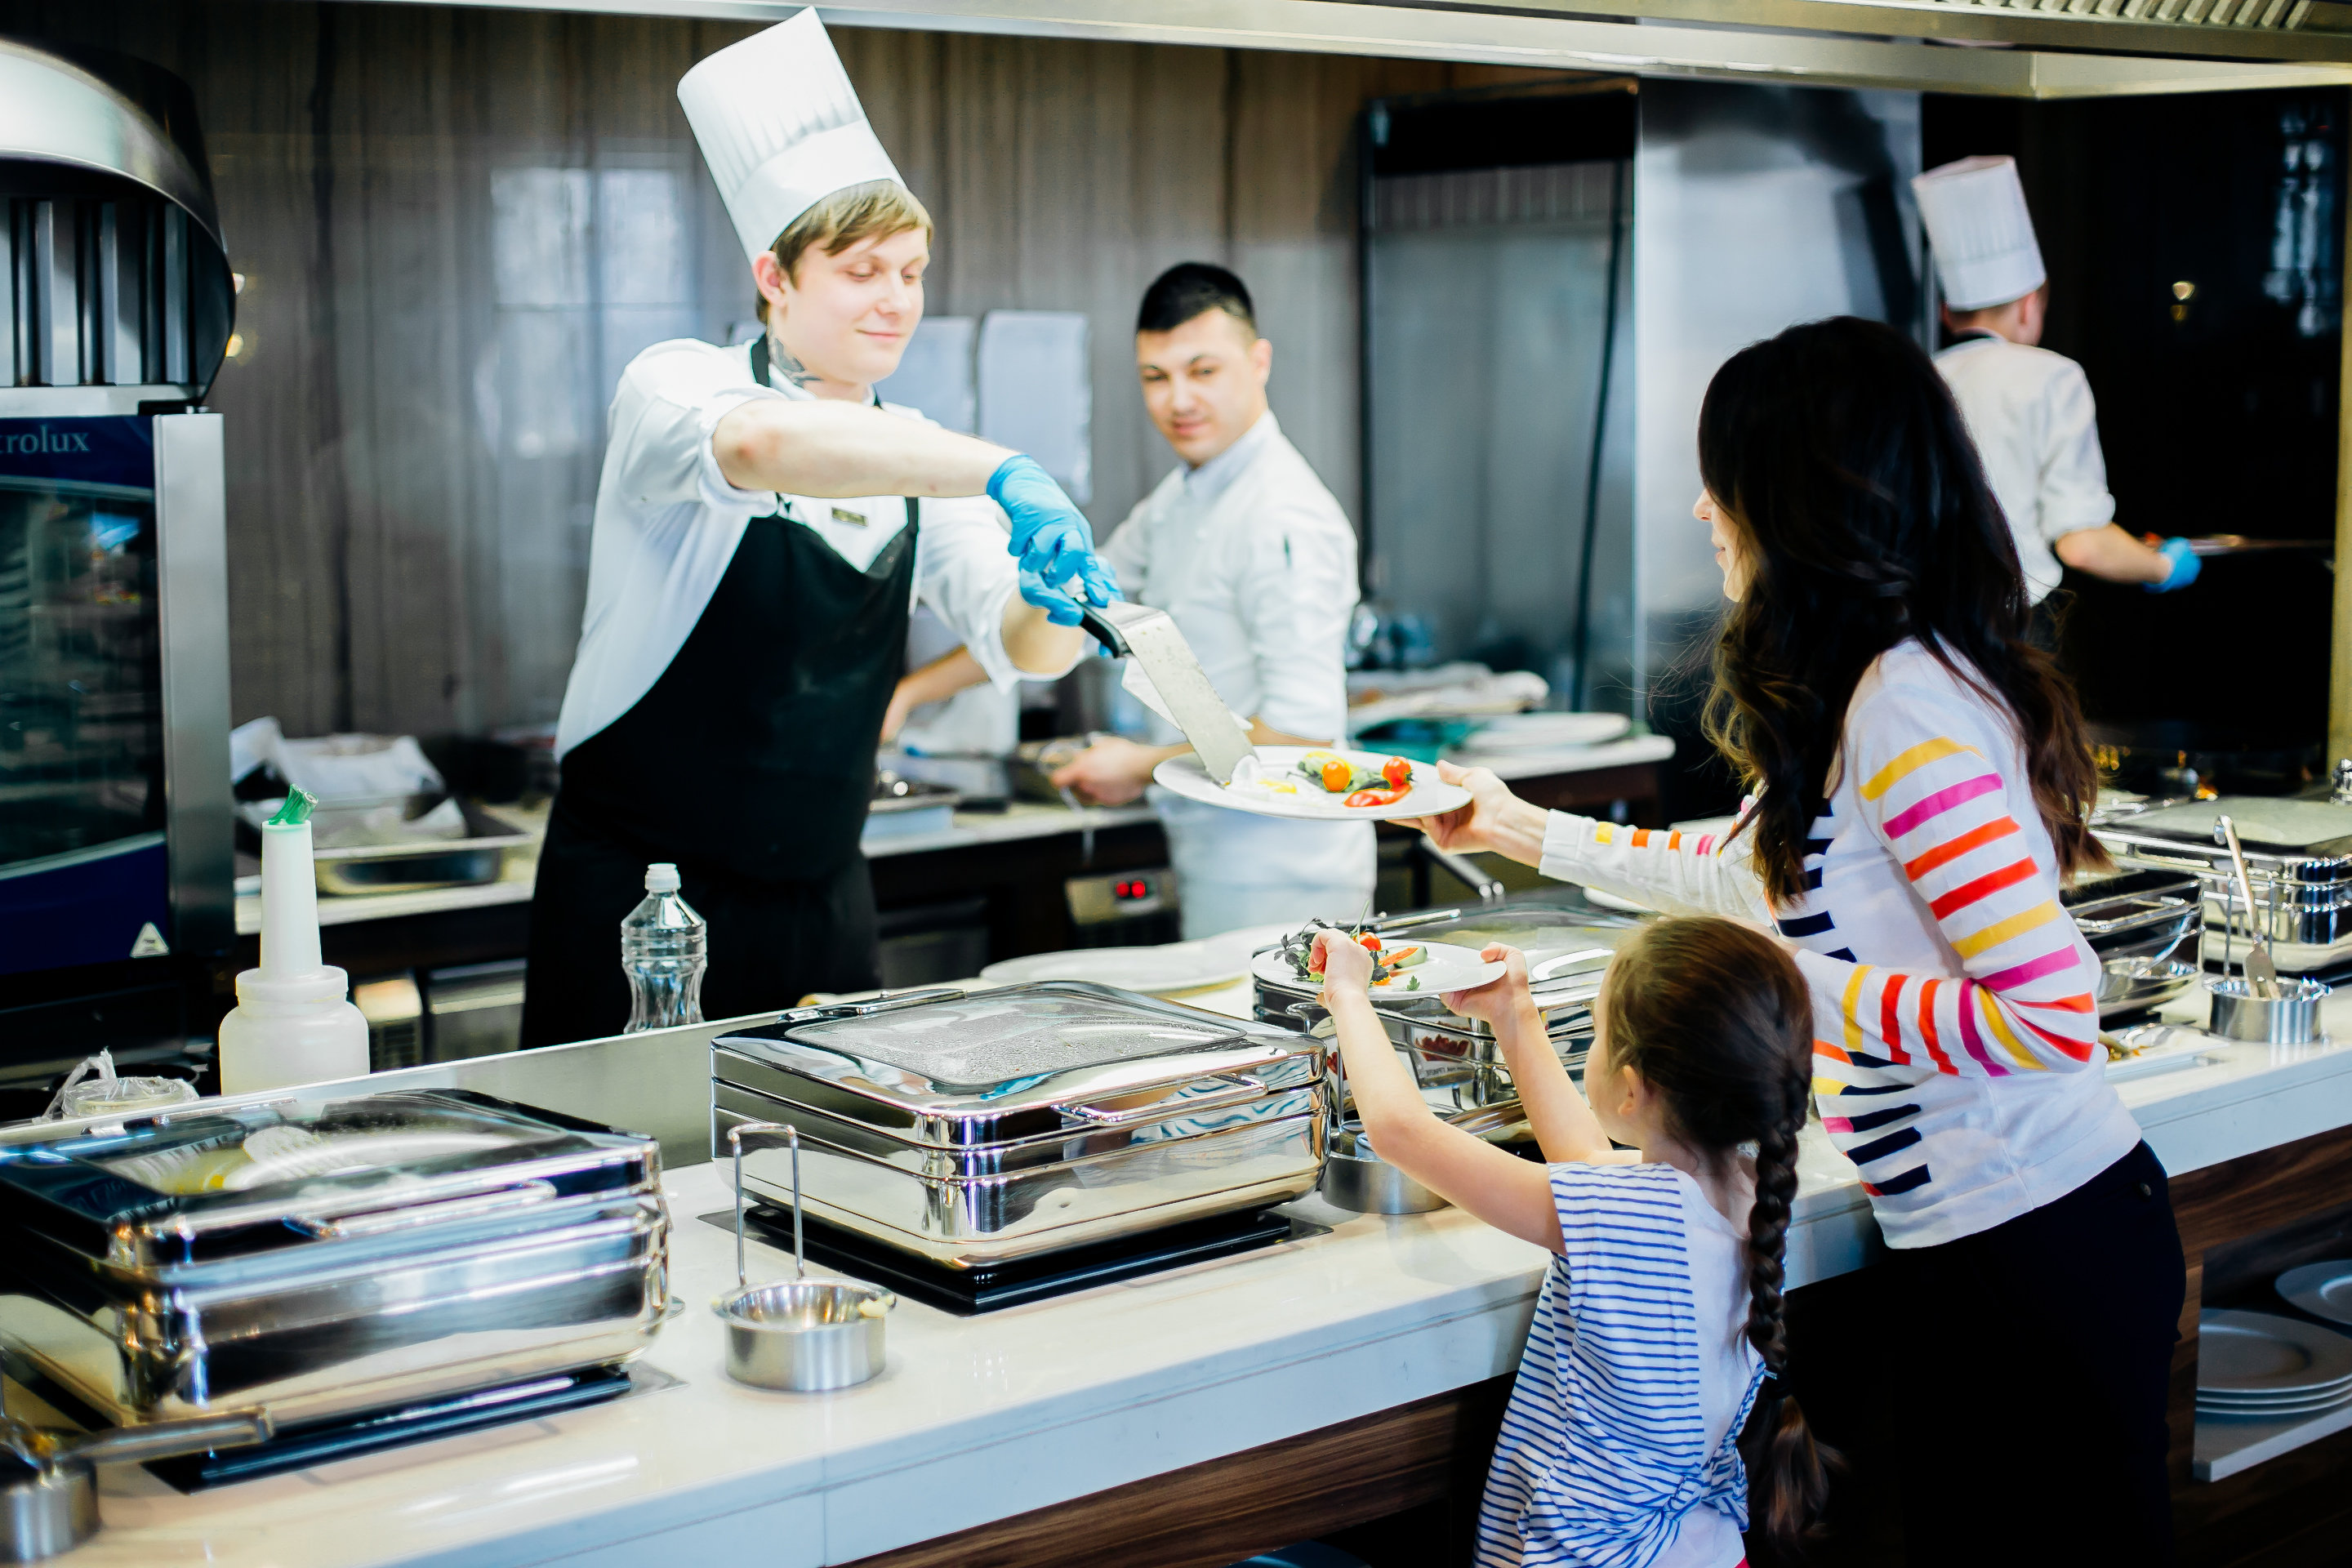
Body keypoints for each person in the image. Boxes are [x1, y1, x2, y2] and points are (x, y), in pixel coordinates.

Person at [1405, 317, 2186, 1564]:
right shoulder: (1868, 691)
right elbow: (1737, 873)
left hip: (2041, 1252)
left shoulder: (1910, 711)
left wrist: (1785, 992)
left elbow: (2051, 1011)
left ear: (1797, 497)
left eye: (1722, 477)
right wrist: (1519, 830)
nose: (1700, 505)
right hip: (1977, 1251)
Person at [521, 12, 1116, 1047]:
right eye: (862, 270)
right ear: (775, 279)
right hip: (641, 909)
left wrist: (1055, 603)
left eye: (913, 271)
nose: (896, 301)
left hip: (827, 907)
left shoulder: (917, 452)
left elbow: (1013, 642)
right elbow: (759, 451)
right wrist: (1001, 469)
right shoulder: (676, 385)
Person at [1310, 916, 1829, 1566]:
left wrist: (1349, 996)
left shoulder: (1631, 1214)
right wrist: (1515, 1014)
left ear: (1633, 1089)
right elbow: (1584, 1155)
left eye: (1596, 1028)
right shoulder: (1744, 1193)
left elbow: (1399, 1132)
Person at [1048, 263, 1374, 938]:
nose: (1179, 401)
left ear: (1259, 362)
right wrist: (914, 691)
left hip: (1284, 871)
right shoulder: (1186, 494)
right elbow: (1079, 605)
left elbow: (1303, 731)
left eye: (1203, 371)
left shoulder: (1283, 514)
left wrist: (1139, 765)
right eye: (1155, 378)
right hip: (1212, 847)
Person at [1913, 155, 2199, 641]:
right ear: (2030, 307)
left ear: (1945, 312)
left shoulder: (1914, 377)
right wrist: (2161, 566)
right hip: (2014, 634)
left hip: (1920, 632)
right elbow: (2081, 543)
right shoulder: (2052, 376)